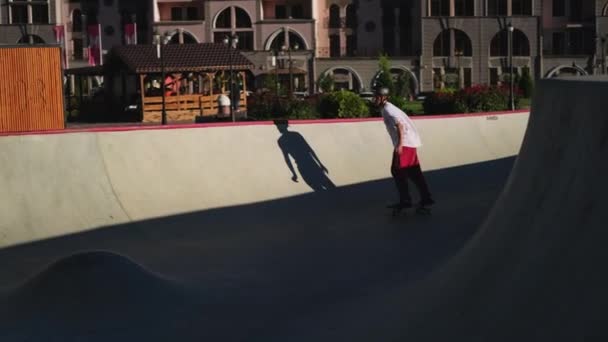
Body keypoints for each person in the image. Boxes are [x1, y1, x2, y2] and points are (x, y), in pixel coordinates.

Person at [374, 87, 434, 210]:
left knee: (397, 170)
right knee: (413, 171)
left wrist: (400, 144)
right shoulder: (386, 108)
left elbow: (400, 126)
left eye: (376, 97)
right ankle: (426, 197)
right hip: (410, 142)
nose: (374, 99)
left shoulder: (388, 110)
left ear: (383, 98)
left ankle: (406, 200)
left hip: (405, 143)